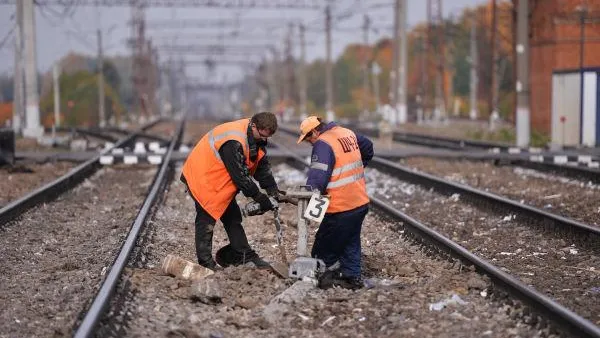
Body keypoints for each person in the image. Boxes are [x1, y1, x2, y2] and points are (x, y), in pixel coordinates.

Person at [181, 112, 285, 270]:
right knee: (206, 220)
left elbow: (260, 166)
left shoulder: (255, 138)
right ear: (254, 126)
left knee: (233, 217)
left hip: (220, 178)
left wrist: (272, 189)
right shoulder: (233, 141)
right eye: (261, 136)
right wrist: (258, 196)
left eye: (267, 137)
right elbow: (240, 175)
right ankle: (206, 264)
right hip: (204, 177)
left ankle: (243, 255)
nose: (264, 140)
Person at [297, 116, 374, 290]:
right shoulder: (345, 132)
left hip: (340, 206)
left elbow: (318, 178)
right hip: (359, 202)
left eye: (308, 138)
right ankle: (352, 277)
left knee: (322, 247)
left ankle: (320, 278)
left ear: (315, 131)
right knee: (350, 241)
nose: (309, 142)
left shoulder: (322, 143)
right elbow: (368, 147)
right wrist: (359, 167)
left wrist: (309, 198)